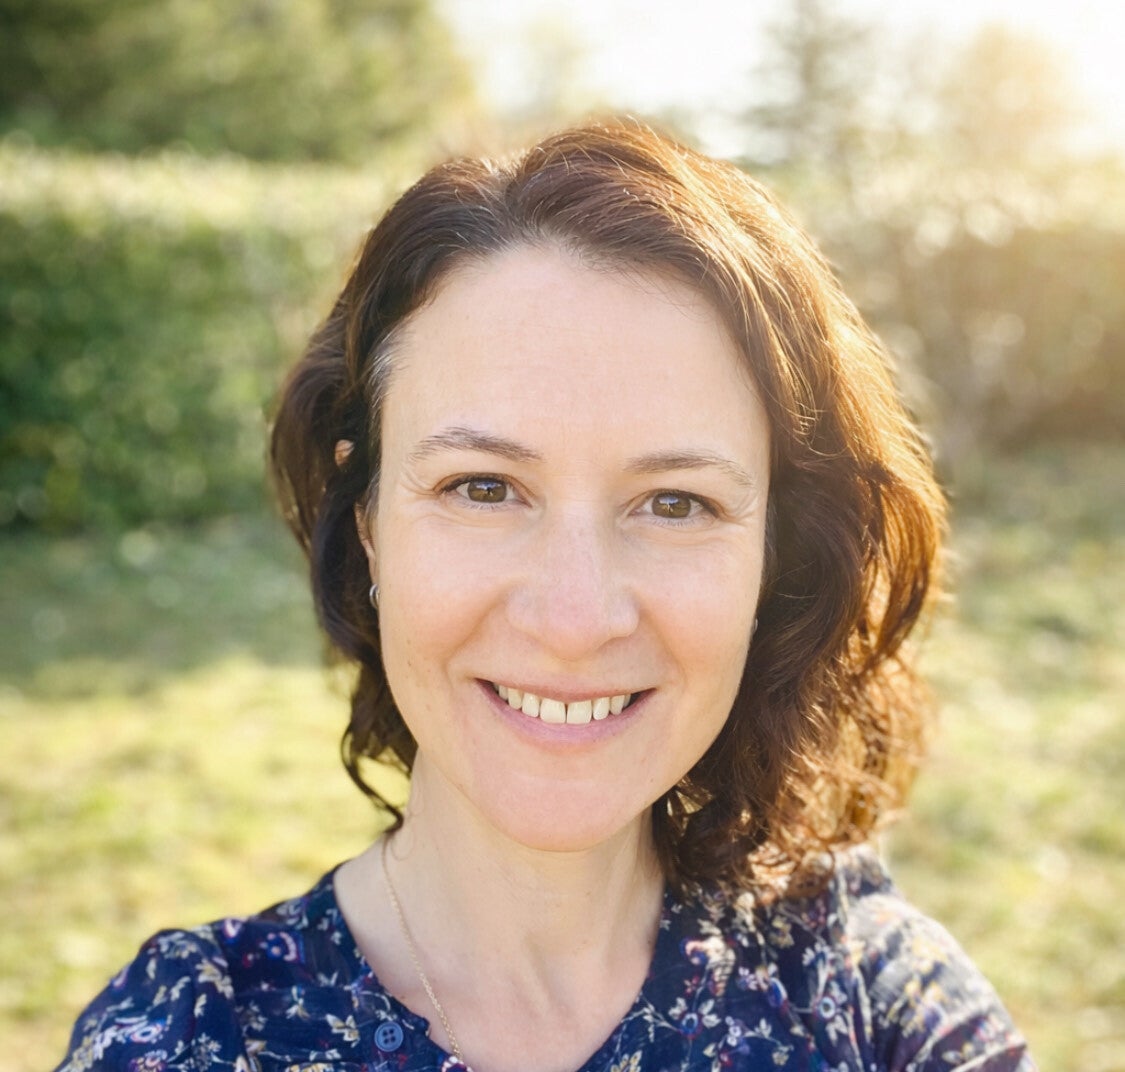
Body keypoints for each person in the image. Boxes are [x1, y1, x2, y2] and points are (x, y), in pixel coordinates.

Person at [57, 119, 1034, 1072]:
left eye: (675, 503)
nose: (574, 620)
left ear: (774, 558)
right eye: (483, 488)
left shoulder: (867, 993)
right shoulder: (191, 1036)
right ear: (368, 524)